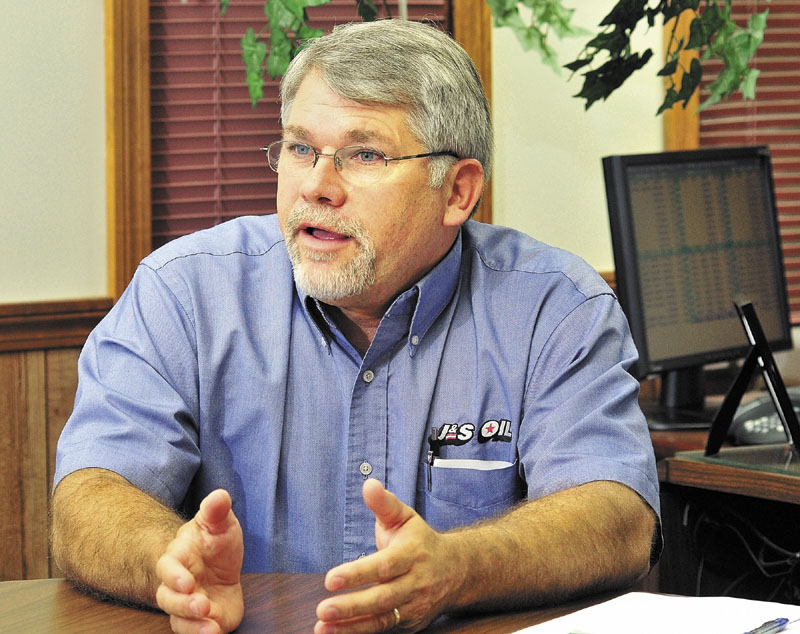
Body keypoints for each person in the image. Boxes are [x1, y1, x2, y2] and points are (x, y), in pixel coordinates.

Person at [51, 18, 660, 634]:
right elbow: (90, 494)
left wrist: (458, 566)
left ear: (457, 191)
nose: (317, 185)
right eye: (299, 148)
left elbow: (617, 515)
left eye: (364, 154)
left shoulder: (555, 308)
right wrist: (170, 566)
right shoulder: (184, 293)